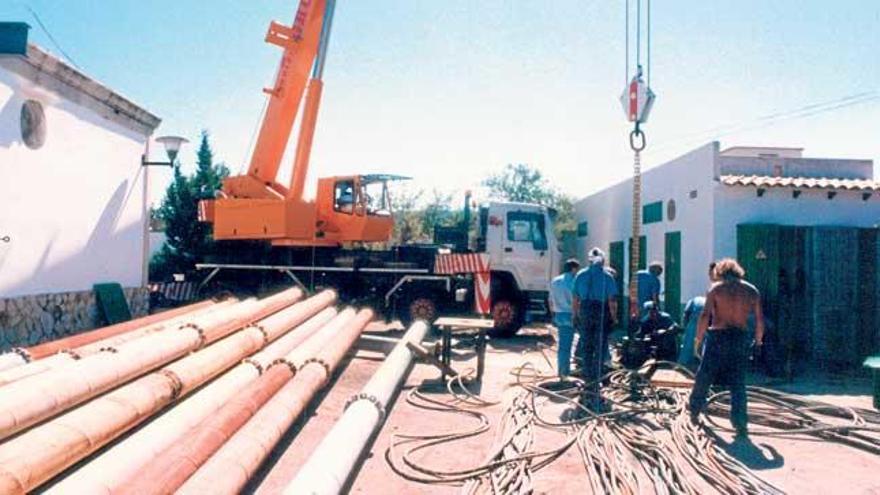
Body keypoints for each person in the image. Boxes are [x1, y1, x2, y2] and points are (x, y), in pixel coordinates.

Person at [689, 258, 764, 438]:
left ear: (720, 272)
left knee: (704, 375)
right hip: (740, 337)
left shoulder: (716, 289)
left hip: (718, 337)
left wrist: (697, 340)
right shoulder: (751, 290)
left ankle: (694, 410)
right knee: (737, 382)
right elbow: (760, 319)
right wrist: (758, 340)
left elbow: (705, 315)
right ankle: (740, 423)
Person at [572, 248, 618, 407]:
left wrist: (575, 315)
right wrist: (614, 318)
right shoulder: (608, 277)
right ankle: (596, 381)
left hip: (585, 311)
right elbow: (612, 301)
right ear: (603, 261)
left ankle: (587, 380)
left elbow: (575, 298)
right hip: (601, 311)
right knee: (600, 346)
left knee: (586, 346)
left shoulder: (580, 275)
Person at [678, 262, 717, 369]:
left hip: (711, 317)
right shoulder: (716, 287)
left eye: (710, 273)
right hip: (711, 316)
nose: (709, 275)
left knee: (692, 337)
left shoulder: (717, 287)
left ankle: (684, 363)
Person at [549, 258, 580, 377]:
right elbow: (576, 300)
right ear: (573, 269)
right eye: (577, 269)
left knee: (563, 345)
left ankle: (562, 370)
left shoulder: (555, 281)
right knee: (580, 341)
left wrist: (553, 315)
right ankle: (570, 370)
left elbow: (550, 300)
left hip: (559, 314)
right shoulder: (574, 281)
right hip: (572, 314)